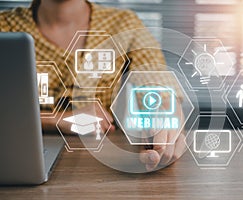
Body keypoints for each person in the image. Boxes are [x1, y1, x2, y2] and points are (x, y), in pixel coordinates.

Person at [0, 0, 185, 171]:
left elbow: (156, 80)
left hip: (97, 167)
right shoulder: (5, 26)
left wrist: (164, 119)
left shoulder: (122, 23)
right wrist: (56, 120)